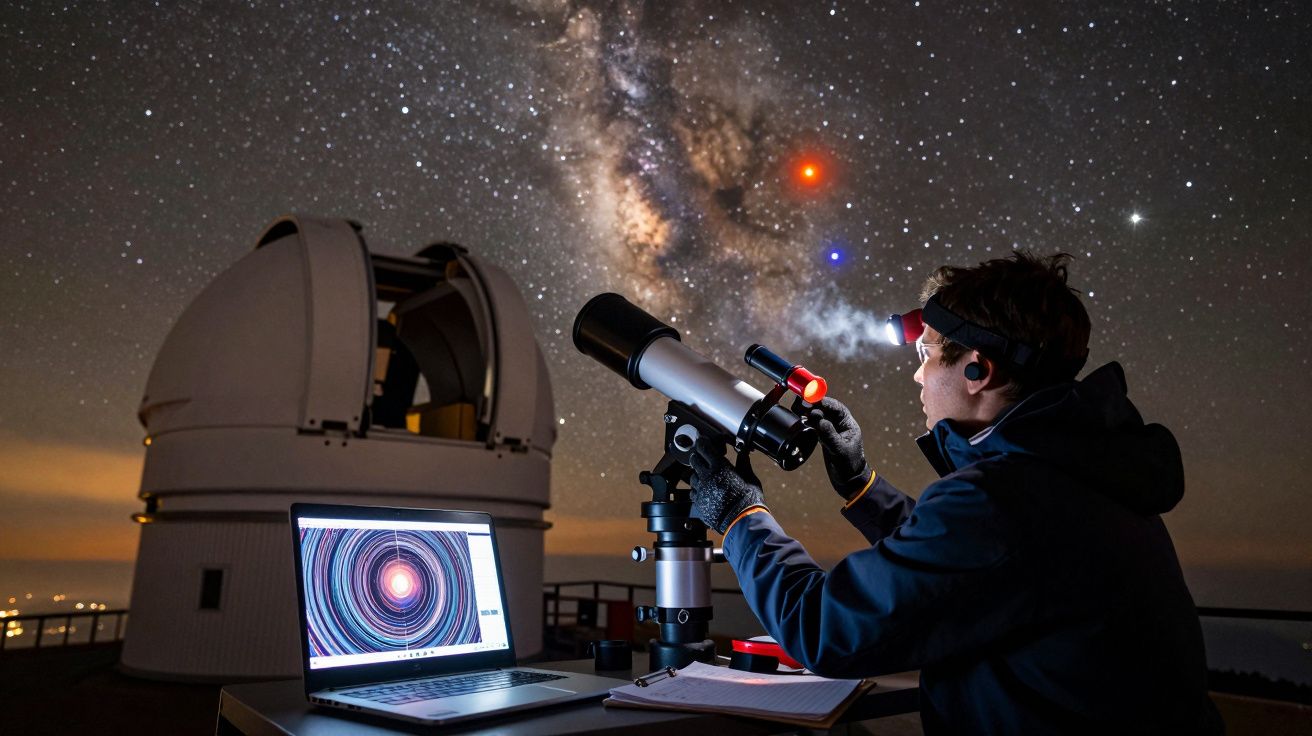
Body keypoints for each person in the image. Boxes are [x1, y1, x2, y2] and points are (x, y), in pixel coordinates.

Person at [689, 252, 1222, 735]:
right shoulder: (1079, 471)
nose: (918, 376)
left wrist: (740, 516)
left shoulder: (1001, 499)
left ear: (977, 370)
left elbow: (823, 629)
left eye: (926, 353)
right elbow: (971, 564)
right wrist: (859, 483)